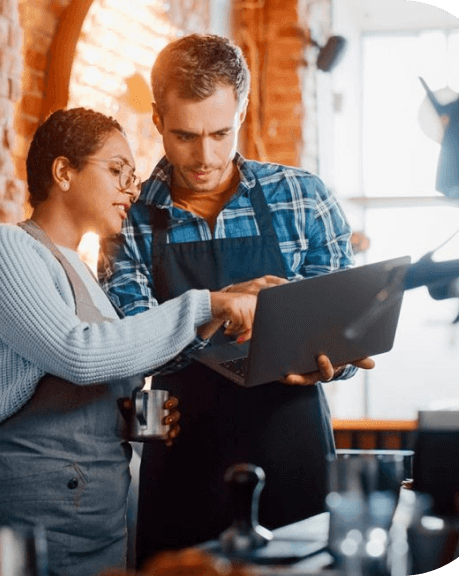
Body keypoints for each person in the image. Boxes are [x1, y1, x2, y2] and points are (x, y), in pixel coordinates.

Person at [0, 107, 282, 576]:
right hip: (25, 516)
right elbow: (78, 353)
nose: (132, 188)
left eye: (134, 175)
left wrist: (130, 419)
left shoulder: (83, 270)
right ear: (63, 172)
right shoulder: (5, 246)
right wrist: (207, 305)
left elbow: (97, 369)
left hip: (96, 516)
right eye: (117, 170)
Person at [99, 34, 375, 565]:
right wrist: (221, 304)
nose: (204, 156)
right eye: (184, 135)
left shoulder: (304, 198)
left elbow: (343, 333)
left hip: (293, 444)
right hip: (184, 455)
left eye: (220, 132)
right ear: (157, 119)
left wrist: (333, 363)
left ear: (242, 111)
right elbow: (131, 345)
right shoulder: (126, 217)